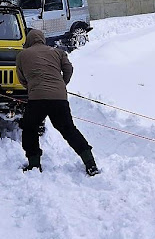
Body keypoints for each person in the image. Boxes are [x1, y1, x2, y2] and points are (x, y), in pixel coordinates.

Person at [16, 28, 99, 176]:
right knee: (69, 130)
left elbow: (21, 77)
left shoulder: (22, 55)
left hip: (37, 99)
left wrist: (32, 87)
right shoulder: (57, 52)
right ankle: (90, 163)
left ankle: (34, 164)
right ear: (42, 39)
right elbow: (69, 68)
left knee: (30, 128)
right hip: (59, 98)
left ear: (28, 40)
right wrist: (61, 84)